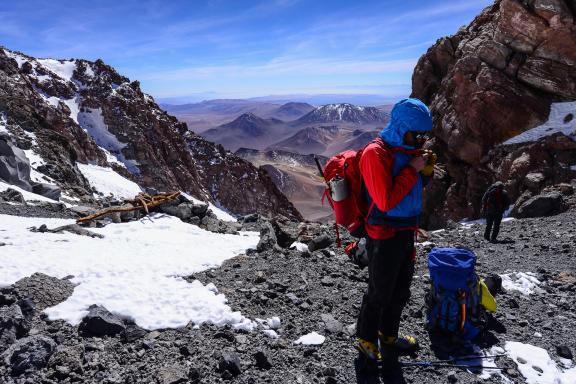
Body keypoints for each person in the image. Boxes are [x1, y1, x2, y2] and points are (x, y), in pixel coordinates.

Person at [355, 98, 433, 372]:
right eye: (417, 134)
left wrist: (425, 171)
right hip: (384, 233)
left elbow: (411, 190)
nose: (421, 140)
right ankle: (366, 339)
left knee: (400, 290)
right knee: (379, 291)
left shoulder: (406, 150)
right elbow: (386, 201)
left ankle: (388, 336)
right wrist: (413, 169)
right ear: (402, 128)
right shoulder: (375, 154)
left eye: (425, 135)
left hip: (406, 231)